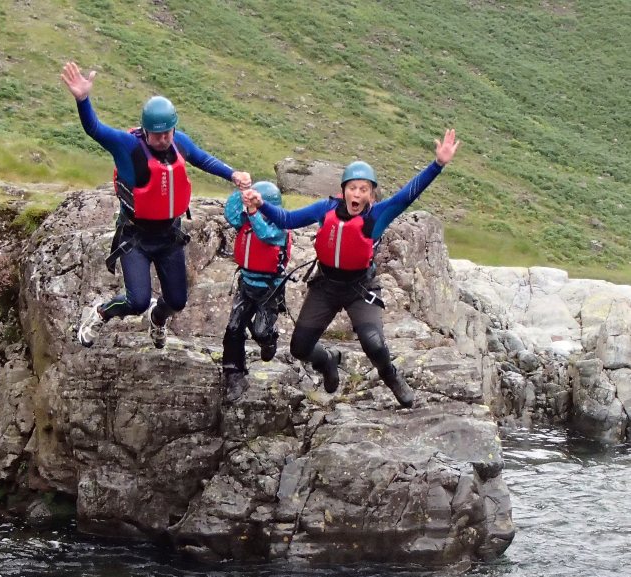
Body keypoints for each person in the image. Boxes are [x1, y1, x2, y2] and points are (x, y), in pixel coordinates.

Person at [242, 129, 460, 407]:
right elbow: (286, 219)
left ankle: (391, 377)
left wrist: (438, 164)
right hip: (327, 286)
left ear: (371, 195)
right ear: (343, 190)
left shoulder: (377, 215)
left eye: (364, 189)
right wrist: (261, 206)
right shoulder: (325, 209)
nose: (357, 194)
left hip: (360, 288)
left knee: (374, 343)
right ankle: (328, 361)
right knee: (299, 348)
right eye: (353, 187)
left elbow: (408, 195)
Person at [60, 61, 252, 348]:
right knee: (136, 300)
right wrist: (83, 100)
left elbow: (203, 158)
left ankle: (157, 319)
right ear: (146, 130)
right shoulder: (127, 146)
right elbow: (94, 129)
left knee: (177, 301)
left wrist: (232, 174)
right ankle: (100, 313)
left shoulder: (179, 142)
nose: (163, 140)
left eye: (168, 133)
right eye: (157, 134)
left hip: (168, 235)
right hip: (135, 237)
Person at [222, 181, 291, 402]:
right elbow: (229, 212)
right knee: (234, 328)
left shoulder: (279, 227)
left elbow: (265, 235)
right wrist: (242, 191)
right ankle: (234, 372)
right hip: (247, 283)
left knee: (261, 331)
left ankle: (269, 338)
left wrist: (253, 211)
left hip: (270, 288)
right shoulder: (246, 221)